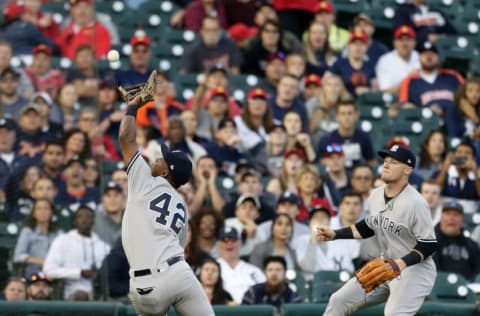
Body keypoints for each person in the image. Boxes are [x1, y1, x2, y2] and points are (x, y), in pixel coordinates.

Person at [118, 76, 214, 315]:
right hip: (177, 274)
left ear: (165, 171)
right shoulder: (182, 204)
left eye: (162, 159)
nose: (157, 158)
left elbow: (126, 138)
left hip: (143, 287)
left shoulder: (145, 181)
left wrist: (133, 107)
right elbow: (179, 246)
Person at [317, 145, 438, 316]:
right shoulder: (376, 195)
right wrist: (336, 234)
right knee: (339, 300)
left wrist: (399, 264)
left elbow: (429, 244)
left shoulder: (415, 203)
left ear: (407, 170)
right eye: (386, 161)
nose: (386, 165)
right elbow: (369, 225)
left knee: (394, 314)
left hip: (415, 271)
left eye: (394, 162)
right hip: (385, 265)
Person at [43, 205, 111, 300]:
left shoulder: (103, 246)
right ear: (74, 221)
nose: (84, 220)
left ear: (93, 221)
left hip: (98, 294)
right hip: (68, 294)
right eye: (80, 216)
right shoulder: (62, 240)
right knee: (81, 296)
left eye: (88, 217)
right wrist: (79, 273)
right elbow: (48, 270)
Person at [399, 41, 465, 138]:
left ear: (438, 57)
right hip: (427, 124)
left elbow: (469, 95)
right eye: (425, 54)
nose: (428, 57)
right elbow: (404, 106)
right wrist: (427, 111)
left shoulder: (452, 76)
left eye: (432, 54)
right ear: (419, 58)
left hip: (457, 120)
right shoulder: (410, 81)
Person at [433, 201, 480, 281]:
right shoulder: (429, 242)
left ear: (462, 219)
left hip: (466, 289)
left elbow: (477, 273)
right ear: (441, 217)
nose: (451, 218)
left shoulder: (472, 246)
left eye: (456, 215)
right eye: (448, 214)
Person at [216, 226, 265, 304]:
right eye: (225, 241)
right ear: (218, 243)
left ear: (239, 242)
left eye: (233, 240)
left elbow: (265, 291)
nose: (229, 244)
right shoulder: (212, 268)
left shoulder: (253, 270)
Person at [13, 198, 60, 278]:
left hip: (54, 275)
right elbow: (18, 256)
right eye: (38, 209)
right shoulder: (27, 232)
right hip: (33, 275)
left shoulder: (58, 233)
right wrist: (41, 261)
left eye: (46, 208)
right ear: (34, 213)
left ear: (51, 213)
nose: (42, 212)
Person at [376, 25, 419, 93]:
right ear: (394, 43)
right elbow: (385, 92)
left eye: (408, 39)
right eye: (400, 40)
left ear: (414, 42)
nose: (404, 43)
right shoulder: (385, 61)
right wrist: (408, 80)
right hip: (396, 101)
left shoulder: (420, 57)